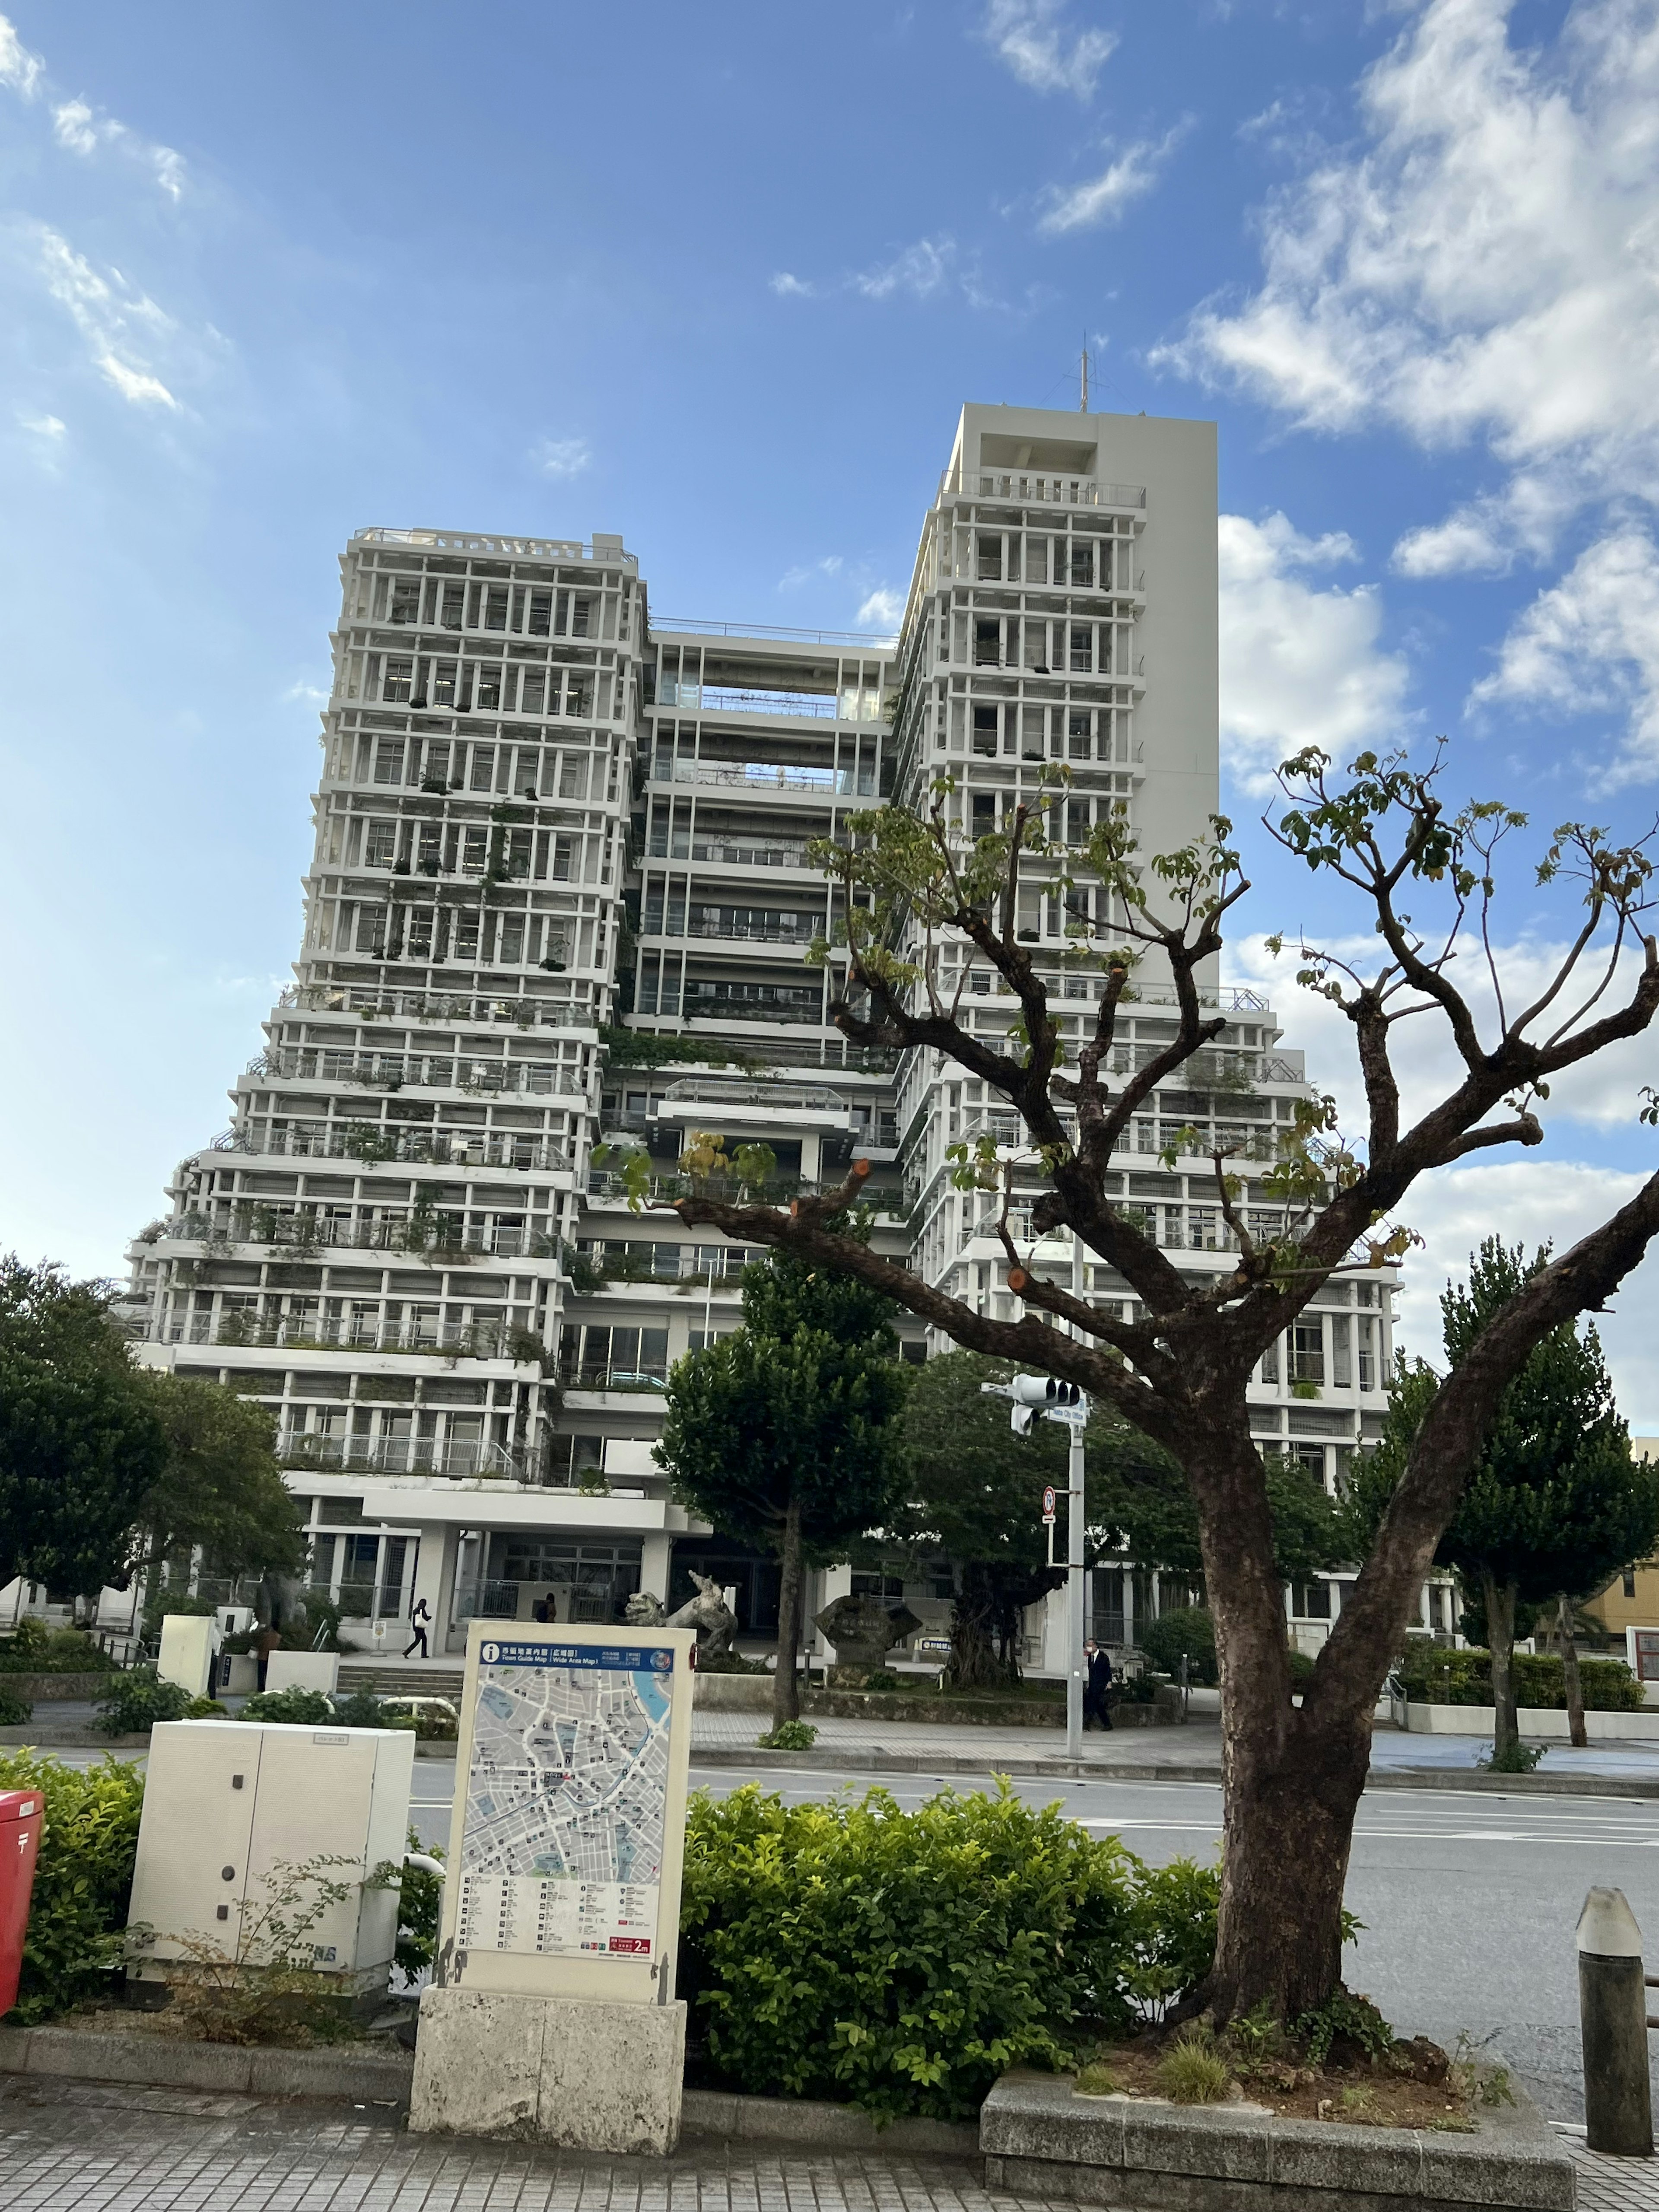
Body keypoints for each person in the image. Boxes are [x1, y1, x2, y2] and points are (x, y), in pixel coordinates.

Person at [1083, 1639, 1114, 1729]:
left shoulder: (1103, 1657)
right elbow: (1091, 1672)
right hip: (1093, 1685)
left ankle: (1087, 1724)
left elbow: (1108, 1671)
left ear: (1095, 1646)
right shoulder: (1090, 1658)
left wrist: (1109, 1682)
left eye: (1090, 1645)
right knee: (1094, 1706)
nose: (1088, 1647)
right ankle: (1106, 1724)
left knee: (1095, 1705)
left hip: (1101, 1685)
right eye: (1087, 1645)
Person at [404, 1596, 431, 1660]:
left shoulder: (416, 1610)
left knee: (423, 1639)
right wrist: (430, 1617)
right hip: (420, 1628)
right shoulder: (421, 1610)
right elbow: (425, 1617)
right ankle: (407, 1652)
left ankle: (424, 1654)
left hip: (417, 1627)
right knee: (418, 1641)